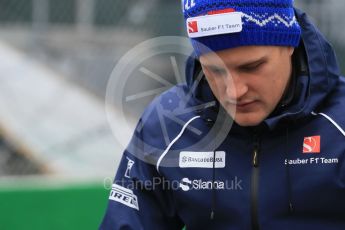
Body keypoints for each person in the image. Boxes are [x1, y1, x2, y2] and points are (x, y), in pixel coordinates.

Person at [100, 0, 345, 229]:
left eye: (251, 67)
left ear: (289, 44)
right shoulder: (167, 127)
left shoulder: (339, 123)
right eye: (215, 70)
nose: (234, 91)